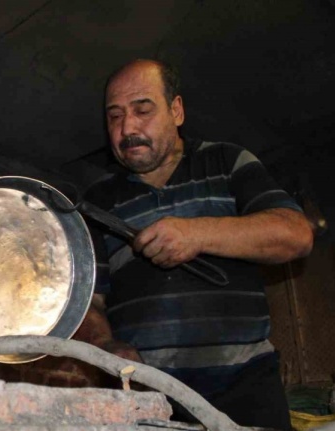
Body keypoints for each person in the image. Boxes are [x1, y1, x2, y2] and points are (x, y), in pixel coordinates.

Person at [77, 59, 313, 429]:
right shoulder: (97, 201)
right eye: (115, 116)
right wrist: (107, 347)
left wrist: (197, 233)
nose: (128, 128)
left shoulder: (227, 161)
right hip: (150, 398)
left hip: (246, 388)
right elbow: (90, 302)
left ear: (177, 110)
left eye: (143, 109)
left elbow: (295, 235)